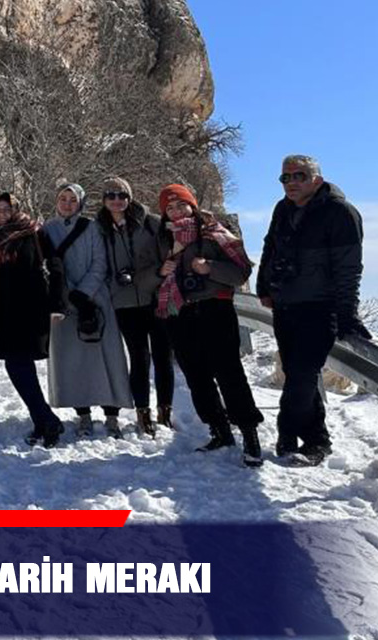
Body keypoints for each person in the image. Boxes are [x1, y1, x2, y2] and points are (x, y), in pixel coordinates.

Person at [257, 155, 367, 466]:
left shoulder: (340, 213)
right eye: (286, 177)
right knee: (297, 376)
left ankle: (291, 433)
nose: (291, 182)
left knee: (303, 377)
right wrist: (264, 286)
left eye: (299, 176)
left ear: (316, 179)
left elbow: (349, 270)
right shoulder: (283, 209)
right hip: (286, 304)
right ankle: (315, 438)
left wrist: (347, 315)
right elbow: (270, 247)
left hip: (321, 308)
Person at [155, 185, 264, 466]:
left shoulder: (215, 233)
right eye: (170, 208)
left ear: (193, 205)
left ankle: (250, 433)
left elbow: (241, 271)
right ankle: (219, 430)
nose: (177, 211)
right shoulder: (163, 238)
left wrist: (210, 268)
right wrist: (162, 269)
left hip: (215, 307)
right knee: (196, 376)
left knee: (229, 372)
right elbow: (149, 278)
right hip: (179, 314)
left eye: (182, 205)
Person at [42, 183, 134, 437]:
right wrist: (65, 294)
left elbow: (100, 262)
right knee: (72, 360)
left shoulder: (92, 228)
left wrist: (83, 293)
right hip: (63, 304)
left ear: (80, 203)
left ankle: (111, 415)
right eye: (63, 199)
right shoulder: (47, 229)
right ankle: (82, 413)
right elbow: (47, 265)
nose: (67, 204)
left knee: (106, 356)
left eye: (73, 199)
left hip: (95, 299)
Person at [95, 176, 175, 435]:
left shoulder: (150, 223)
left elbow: (169, 254)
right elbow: (98, 264)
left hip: (156, 296)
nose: (117, 201)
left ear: (130, 198)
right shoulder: (99, 229)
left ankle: (166, 411)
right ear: (104, 200)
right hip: (125, 301)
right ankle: (143, 412)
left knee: (163, 356)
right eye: (111, 196)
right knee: (139, 358)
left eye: (122, 196)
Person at [0, 192, 64, 447]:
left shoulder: (33, 232)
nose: (2, 214)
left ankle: (46, 419)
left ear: (16, 209)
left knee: (19, 364)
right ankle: (43, 419)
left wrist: (56, 301)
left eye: (7, 209)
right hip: (4, 309)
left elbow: (55, 266)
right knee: (17, 365)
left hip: (31, 307)